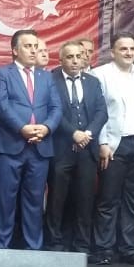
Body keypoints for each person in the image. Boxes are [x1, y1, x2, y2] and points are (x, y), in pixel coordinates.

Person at [91, 32, 134, 265]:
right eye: (123, 49)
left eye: (132, 48)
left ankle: (129, 249)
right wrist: (102, 142)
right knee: (108, 199)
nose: (129, 52)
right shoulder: (100, 74)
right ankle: (104, 249)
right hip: (113, 144)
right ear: (113, 52)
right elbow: (98, 112)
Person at [0, 29, 63, 251]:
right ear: (15, 50)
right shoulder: (1, 73)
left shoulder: (46, 76)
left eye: (35, 46)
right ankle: (1, 249)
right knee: (4, 201)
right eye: (28, 46)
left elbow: (56, 107)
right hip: (9, 146)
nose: (33, 50)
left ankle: (33, 249)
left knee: (34, 202)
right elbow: (0, 105)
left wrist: (46, 128)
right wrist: (22, 128)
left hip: (40, 147)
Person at [45, 41, 107, 256]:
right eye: (70, 57)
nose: (75, 61)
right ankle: (55, 243)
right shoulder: (50, 79)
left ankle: (82, 245)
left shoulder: (93, 81)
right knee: (57, 199)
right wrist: (73, 133)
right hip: (61, 149)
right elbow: (52, 112)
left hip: (87, 150)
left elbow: (101, 112)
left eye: (78, 56)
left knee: (85, 199)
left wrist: (87, 134)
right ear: (61, 59)